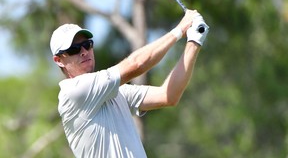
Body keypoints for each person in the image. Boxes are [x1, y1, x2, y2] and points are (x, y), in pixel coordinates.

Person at [50, 9, 209, 158]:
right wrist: (180, 29)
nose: (84, 51)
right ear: (59, 60)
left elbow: (168, 96)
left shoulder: (116, 93)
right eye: (73, 49)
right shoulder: (73, 92)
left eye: (87, 45)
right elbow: (137, 64)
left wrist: (194, 41)